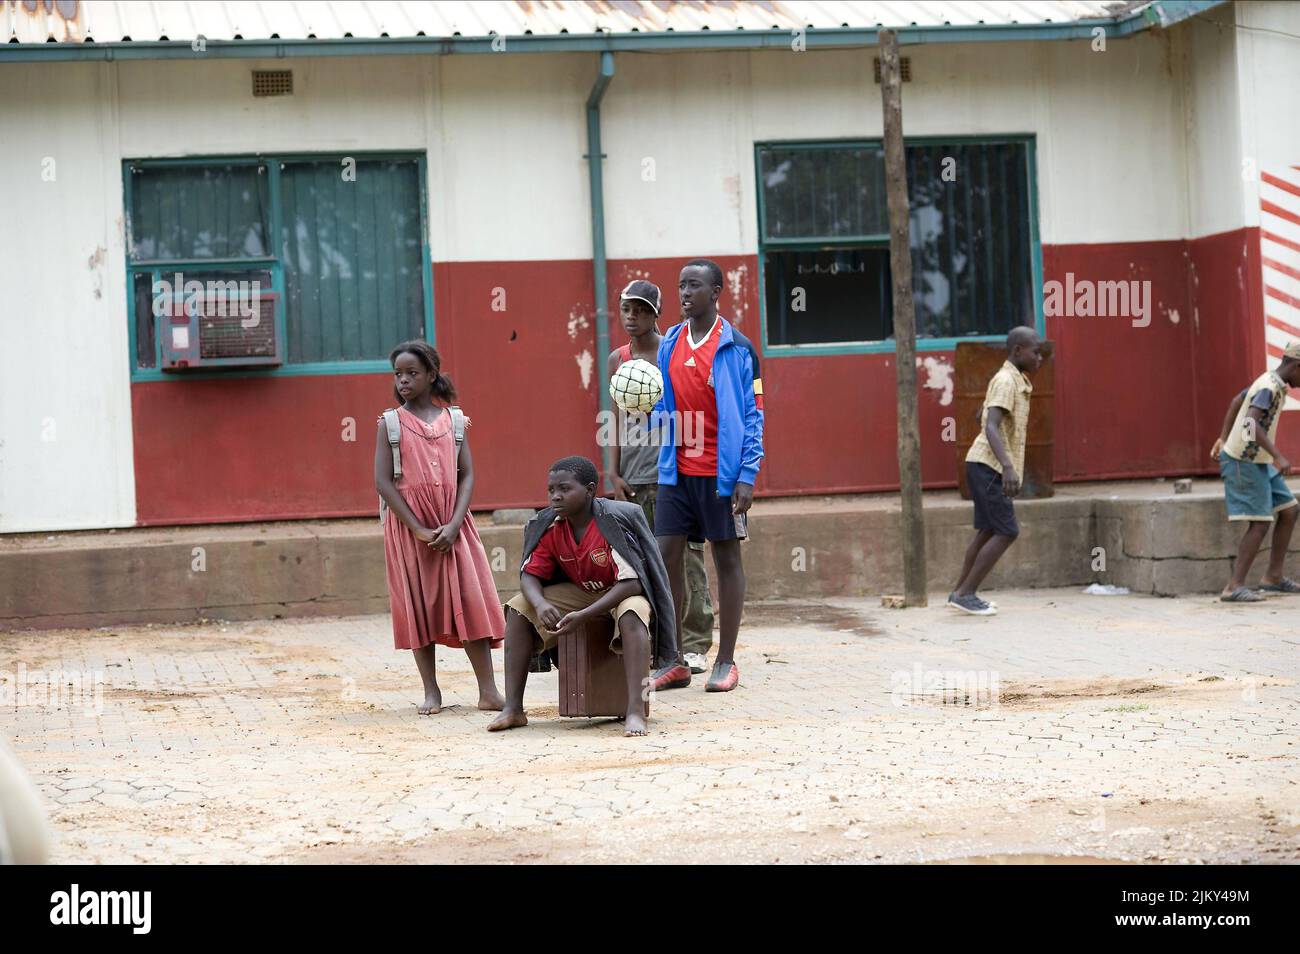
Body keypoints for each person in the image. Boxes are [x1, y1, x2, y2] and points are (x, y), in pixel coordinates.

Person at [488, 456, 678, 737]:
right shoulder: (551, 525)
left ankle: (636, 711)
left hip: (620, 592)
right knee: (518, 608)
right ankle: (514, 708)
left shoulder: (610, 521)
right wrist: (540, 605)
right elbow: (530, 574)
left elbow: (632, 583)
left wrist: (585, 616)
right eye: (551, 490)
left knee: (632, 613)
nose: (556, 497)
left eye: (565, 489)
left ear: (590, 490)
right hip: (581, 592)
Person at [650, 259, 764, 693]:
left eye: (694, 285)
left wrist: (747, 474)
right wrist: (647, 414)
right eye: (680, 286)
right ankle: (675, 659)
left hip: (723, 472)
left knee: (726, 558)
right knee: (666, 558)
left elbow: (754, 415)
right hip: (676, 471)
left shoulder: (739, 347)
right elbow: (664, 405)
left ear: (716, 291)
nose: (684, 293)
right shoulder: (671, 343)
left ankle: (726, 661)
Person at [375, 340, 506, 715]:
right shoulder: (390, 424)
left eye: (412, 373)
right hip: (409, 531)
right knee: (419, 604)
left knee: (469, 599)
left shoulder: (455, 422)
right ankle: (431, 691)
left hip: (454, 525)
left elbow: (467, 476)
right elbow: (383, 482)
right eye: (398, 374)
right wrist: (417, 527)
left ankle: (489, 691)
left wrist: (454, 523)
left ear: (431, 375)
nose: (403, 380)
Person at [608, 279, 716, 674]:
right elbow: (616, 418)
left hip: (675, 471)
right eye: (626, 310)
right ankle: (658, 643)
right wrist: (612, 471)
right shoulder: (617, 359)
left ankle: (695, 642)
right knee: (643, 561)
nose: (632, 317)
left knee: (686, 559)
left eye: (641, 310)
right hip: (634, 477)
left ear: (657, 313)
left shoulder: (672, 351)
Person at [948, 326, 1044, 616]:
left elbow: (986, 416)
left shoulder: (1013, 380)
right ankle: (966, 593)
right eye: (1035, 352)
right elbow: (990, 426)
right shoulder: (1006, 380)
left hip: (983, 465)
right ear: (1018, 351)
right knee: (1007, 530)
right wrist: (1008, 467)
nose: (1040, 357)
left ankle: (959, 592)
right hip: (988, 466)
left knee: (988, 530)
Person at [1213, 342, 1300, 602]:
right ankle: (1233, 586)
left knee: (1289, 509)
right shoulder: (1269, 387)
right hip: (1243, 461)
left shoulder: (1269, 382)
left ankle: (1272, 577)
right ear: (1296, 366)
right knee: (1260, 522)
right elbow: (1251, 421)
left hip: (1257, 461)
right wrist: (1277, 455)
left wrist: (1222, 437)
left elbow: (1236, 401)